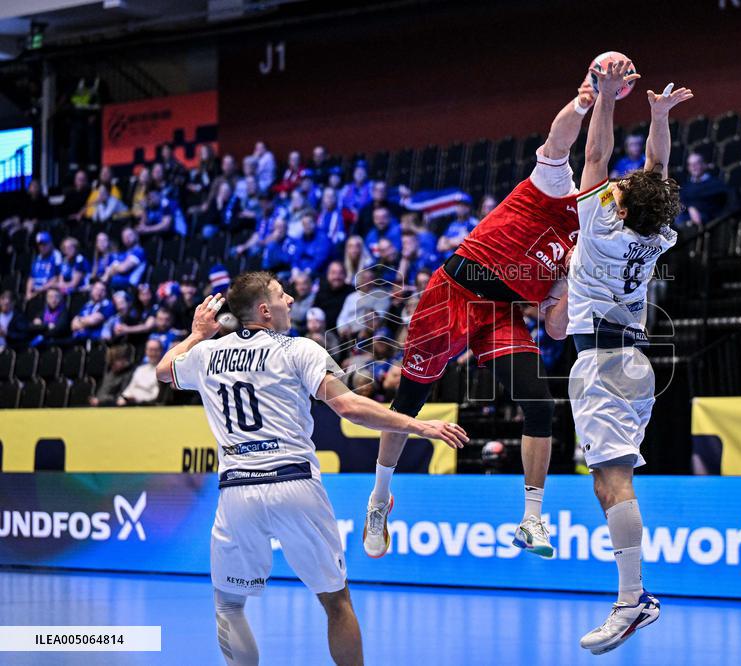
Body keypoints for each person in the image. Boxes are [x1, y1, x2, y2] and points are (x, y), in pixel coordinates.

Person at [154, 272, 467, 666]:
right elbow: (351, 408)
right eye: (282, 296)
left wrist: (198, 333)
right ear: (264, 310)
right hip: (294, 483)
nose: (290, 302)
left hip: (237, 491)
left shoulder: (205, 355)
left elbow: (165, 370)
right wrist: (420, 426)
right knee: (336, 602)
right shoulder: (299, 350)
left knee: (230, 606)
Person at [362, 72, 598, 560]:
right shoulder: (556, 187)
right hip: (452, 293)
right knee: (408, 404)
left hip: (501, 313)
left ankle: (532, 518)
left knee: (540, 404)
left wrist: (574, 280)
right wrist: (580, 105)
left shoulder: (581, 251)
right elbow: (559, 142)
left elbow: (555, 327)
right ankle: (379, 498)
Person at [549, 62, 692, 655]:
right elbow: (656, 174)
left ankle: (632, 602)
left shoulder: (601, 228)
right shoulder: (656, 233)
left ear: (621, 208)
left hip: (602, 364)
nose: (617, 186)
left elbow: (596, 159)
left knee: (612, 484)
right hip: (634, 365)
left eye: (621, 193)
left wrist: (605, 98)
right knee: (611, 483)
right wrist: (658, 118)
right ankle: (633, 597)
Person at [675, 152, 729, 227]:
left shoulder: (715, 184)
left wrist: (693, 207)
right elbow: (681, 200)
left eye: (696, 163)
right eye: (691, 164)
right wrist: (691, 208)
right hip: (686, 216)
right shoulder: (686, 186)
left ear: (704, 165)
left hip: (708, 218)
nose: (693, 167)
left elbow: (713, 203)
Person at [26, 231, 63, 302]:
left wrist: (41, 289)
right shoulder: (38, 258)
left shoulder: (56, 256)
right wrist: (28, 293)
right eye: (40, 245)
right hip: (36, 292)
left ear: (51, 243)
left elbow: (57, 277)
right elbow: (31, 278)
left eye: (44, 244)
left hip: (48, 291)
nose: (42, 247)